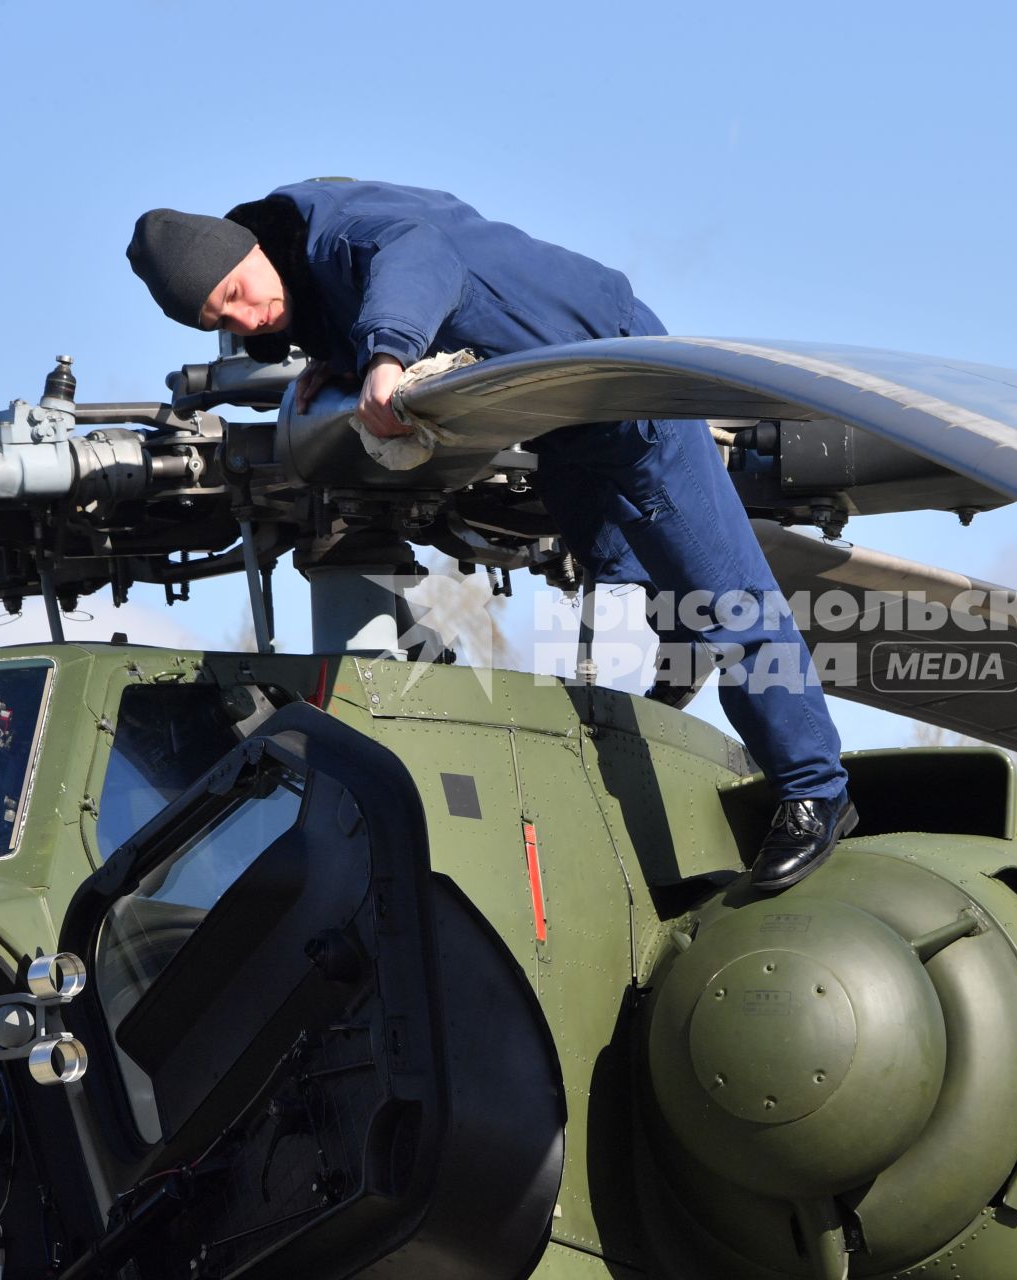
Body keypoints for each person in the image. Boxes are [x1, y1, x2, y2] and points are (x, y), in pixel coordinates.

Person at [126, 180, 855, 890]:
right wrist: (336, 360)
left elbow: (422, 253)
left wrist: (384, 353)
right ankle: (686, 635)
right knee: (618, 557)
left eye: (236, 292)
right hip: (563, 420)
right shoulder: (301, 261)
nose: (247, 320)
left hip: (626, 379)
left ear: (248, 247)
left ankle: (815, 794)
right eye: (221, 320)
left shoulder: (342, 235)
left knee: (731, 601)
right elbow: (355, 296)